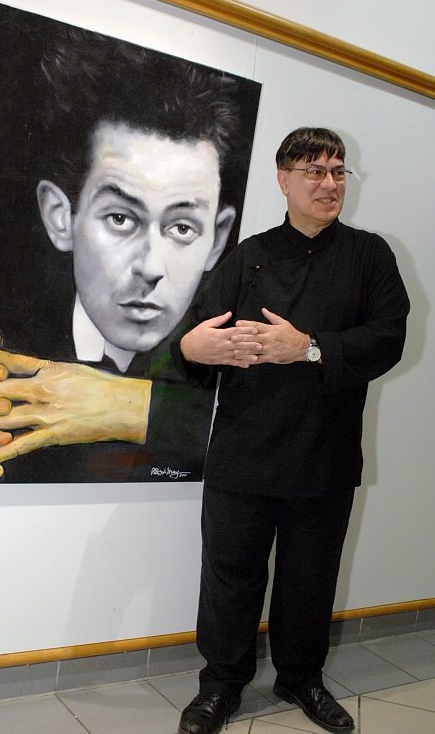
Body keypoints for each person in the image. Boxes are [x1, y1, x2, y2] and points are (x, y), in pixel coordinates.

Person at [0, 13, 260, 484]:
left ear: (217, 238)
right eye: (121, 219)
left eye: (181, 227)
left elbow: (278, 441)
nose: (150, 267)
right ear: (61, 217)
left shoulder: (244, 346)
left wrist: (127, 406)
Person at [171, 127, 409, 734]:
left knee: (310, 581)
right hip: (243, 453)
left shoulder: (369, 256)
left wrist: (308, 347)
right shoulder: (247, 256)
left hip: (325, 454)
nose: (329, 184)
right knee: (230, 579)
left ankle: (301, 678)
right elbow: (192, 339)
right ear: (283, 179)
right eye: (314, 172)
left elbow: (388, 339)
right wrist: (194, 348)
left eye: (338, 171)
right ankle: (220, 686)